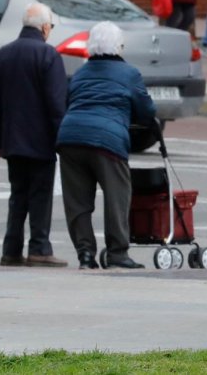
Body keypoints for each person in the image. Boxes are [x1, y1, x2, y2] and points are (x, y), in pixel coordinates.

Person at [56, 21, 156, 270]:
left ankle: (86, 254)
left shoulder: (80, 72)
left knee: (77, 201)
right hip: (107, 140)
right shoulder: (129, 74)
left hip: (71, 138)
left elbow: (69, 100)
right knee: (116, 196)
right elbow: (147, 111)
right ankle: (117, 253)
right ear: (119, 47)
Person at [0, 3, 68, 268]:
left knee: (17, 195)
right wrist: (62, 140)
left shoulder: (3, 54)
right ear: (45, 27)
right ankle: (39, 249)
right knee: (40, 197)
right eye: (51, 27)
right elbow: (56, 105)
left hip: (12, 141)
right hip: (41, 141)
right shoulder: (49, 56)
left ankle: (10, 251)